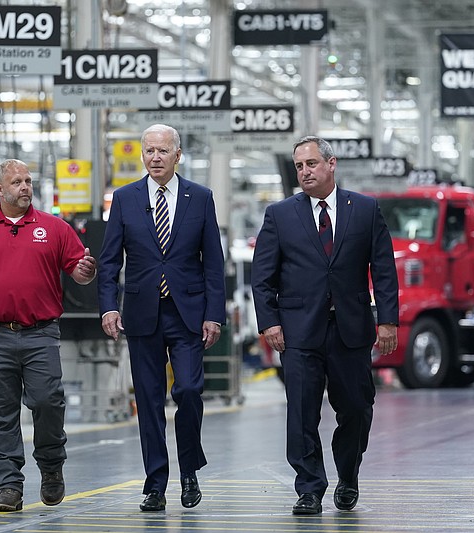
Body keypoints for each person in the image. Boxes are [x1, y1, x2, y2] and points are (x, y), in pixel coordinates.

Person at [0, 159, 96, 513]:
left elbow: (79, 271)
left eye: (28, 180)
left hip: (40, 334)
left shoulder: (54, 228)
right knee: (3, 413)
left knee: (46, 402)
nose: (25, 186)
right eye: (17, 182)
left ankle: (52, 467)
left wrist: (85, 271)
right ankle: (8, 486)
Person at [251, 136, 399, 515]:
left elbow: (383, 270)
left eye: (312, 164)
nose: (305, 172)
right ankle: (309, 488)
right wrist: (269, 322)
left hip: (350, 329)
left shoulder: (364, 210)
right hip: (298, 330)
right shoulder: (280, 214)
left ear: (332, 165)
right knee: (301, 412)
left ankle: (348, 476)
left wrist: (387, 321)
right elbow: (262, 276)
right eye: (299, 166)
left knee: (356, 408)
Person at [97, 124, 226, 512]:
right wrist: (108, 306)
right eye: (149, 151)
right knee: (149, 402)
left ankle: (189, 470)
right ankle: (155, 484)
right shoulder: (124, 198)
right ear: (142, 155)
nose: (155, 157)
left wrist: (214, 315)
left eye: (162, 151)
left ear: (177, 155)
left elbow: (213, 264)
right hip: (141, 315)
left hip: (187, 314)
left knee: (187, 390)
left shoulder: (200, 198)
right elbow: (108, 261)